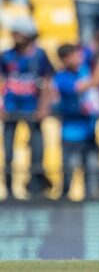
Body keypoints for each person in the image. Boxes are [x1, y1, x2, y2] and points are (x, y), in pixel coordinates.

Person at [0, 17, 54, 199]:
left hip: (33, 110)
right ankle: (8, 190)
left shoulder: (40, 55)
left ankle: (36, 188)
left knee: (38, 151)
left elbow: (47, 82)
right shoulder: (6, 55)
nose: (15, 36)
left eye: (19, 32)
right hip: (10, 109)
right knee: (8, 153)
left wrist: (44, 107)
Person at [53, 43, 99, 200]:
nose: (79, 58)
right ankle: (64, 203)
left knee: (92, 171)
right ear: (65, 59)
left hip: (89, 133)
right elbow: (86, 85)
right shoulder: (61, 78)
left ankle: (91, 200)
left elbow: (92, 48)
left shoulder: (83, 70)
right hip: (70, 136)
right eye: (74, 55)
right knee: (68, 172)